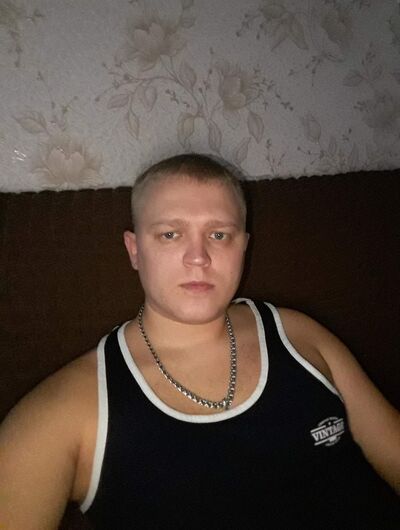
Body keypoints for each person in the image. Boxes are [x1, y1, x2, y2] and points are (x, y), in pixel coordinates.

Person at [0, 153, 399, 529]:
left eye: (219, 234)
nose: (198, 257)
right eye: (170, 234)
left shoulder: (300, 335)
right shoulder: (63, 415)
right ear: (134, 250)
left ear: (244, 247)